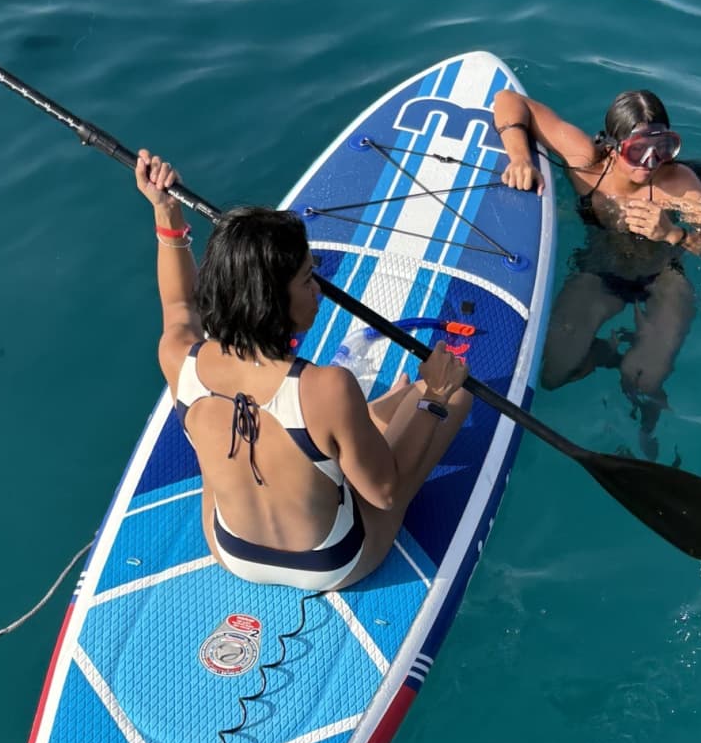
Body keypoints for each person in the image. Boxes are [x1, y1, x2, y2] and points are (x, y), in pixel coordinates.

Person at [134, 150, 473, 591]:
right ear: (271, 302)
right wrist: (435, 397)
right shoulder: (326, 386)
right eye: (307, 279)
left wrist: (166, 212)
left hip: (231, 553)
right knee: (457, 397)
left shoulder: (180, 357)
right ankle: (404, 403)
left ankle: (372, 417)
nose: (318, 290)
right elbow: (385, 493)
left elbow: (179, 306)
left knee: (246, 440)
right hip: (333, 563)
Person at [492, 86, 701, 456]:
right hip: (600, 270)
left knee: (643, 386)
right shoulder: (585, 165)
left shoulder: (677, 184)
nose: (650, 161)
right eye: (637, 149)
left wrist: (674, 234)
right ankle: (603, 355)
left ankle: (635, 379)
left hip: (664, 279)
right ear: (612, 145)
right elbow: (507, 100)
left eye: (662, 147)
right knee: (552, 374)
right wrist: (520, 158)